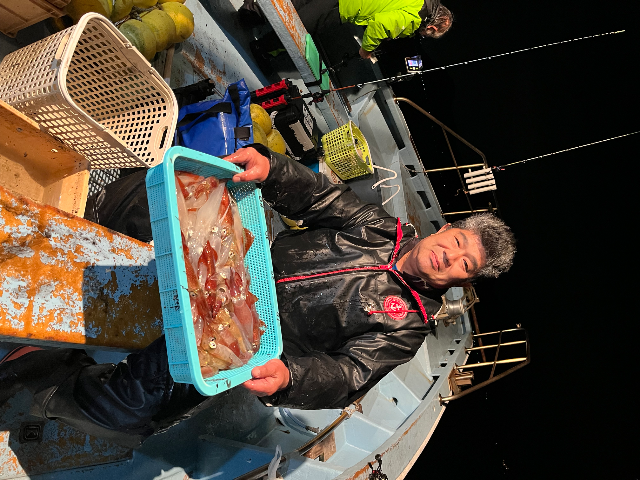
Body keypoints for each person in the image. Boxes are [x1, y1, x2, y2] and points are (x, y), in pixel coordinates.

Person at [0, 145, 515, 448]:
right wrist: (273, 168)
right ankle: (79, 210)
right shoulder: (380, 228)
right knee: (159, 195)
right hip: (241, 263)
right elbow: (321, 196)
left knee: (133, 405)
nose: (449, 256)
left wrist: (291, 379)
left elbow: (350, 374)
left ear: (463, 282)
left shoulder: (407, 327)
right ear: (444, 229)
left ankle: (48, 384)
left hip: (246, 337)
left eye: (464, 264)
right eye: (457, 241)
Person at [244, 0, 453, 70]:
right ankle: (263, 49)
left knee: (298, 2)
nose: (422, 33)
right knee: (301, 25)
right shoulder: (414, 17)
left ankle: (253, 12)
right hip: (345, 5)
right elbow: (379, 25)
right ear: (432, 27)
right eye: (426, 33)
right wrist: (366, 50)